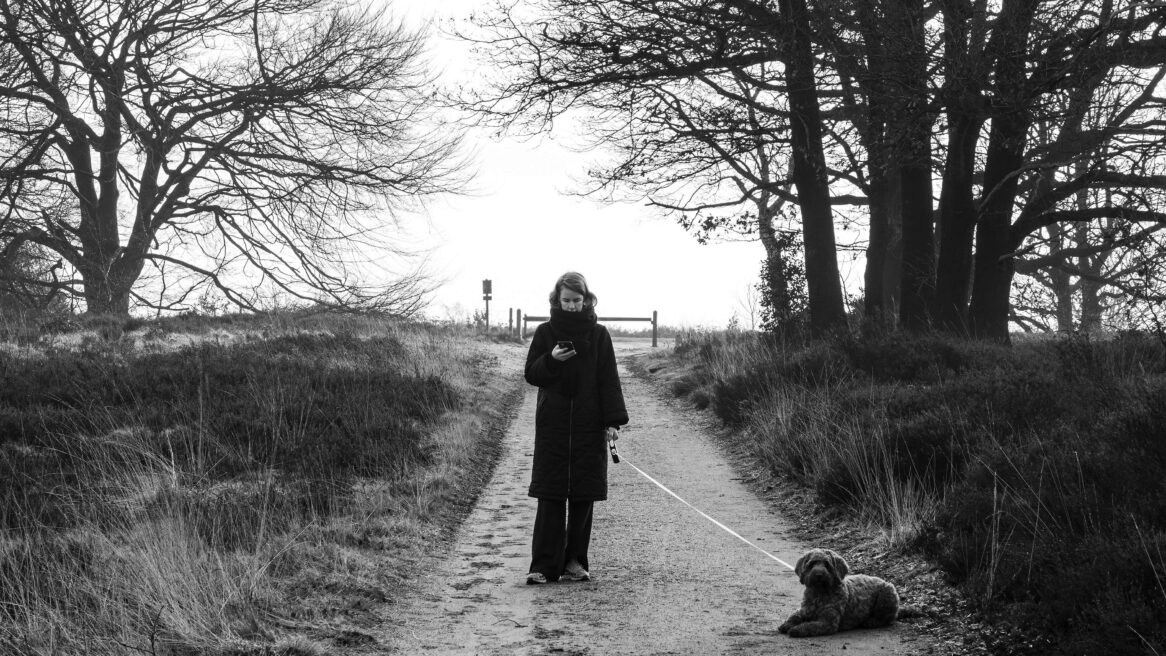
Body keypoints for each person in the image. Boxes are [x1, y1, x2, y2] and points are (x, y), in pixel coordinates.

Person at [523, 271, 628, 584]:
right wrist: (553, 360)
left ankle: (574, 563)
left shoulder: (599, 335)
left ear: (586, 300)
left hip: (588, 424)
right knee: (550, 496)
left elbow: (608, 379)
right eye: (566, 300)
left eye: (576, 300)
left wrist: (612, 422)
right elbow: (532, 374)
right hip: (553, 425)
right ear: (557, 299)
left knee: (583, 497)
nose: (571, 306)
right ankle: (542, 567)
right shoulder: (544, 332)